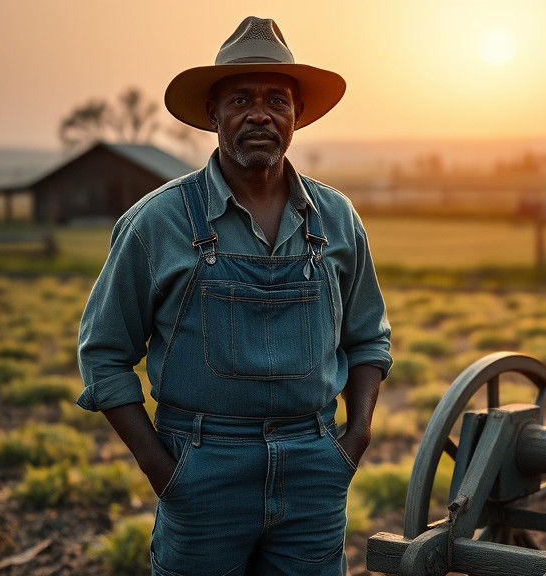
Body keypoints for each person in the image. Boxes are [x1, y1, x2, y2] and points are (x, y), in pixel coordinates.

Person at [76, 16, 392, 576]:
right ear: (213, 114)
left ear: (296, 117)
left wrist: (355, 439)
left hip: (314, 469)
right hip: (201, 470)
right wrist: (163, 472)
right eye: (240, 98)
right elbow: (103, 353)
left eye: (277, 99)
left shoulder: (336, 218)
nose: (259, 114)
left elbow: (368, 337)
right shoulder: (159, 221)